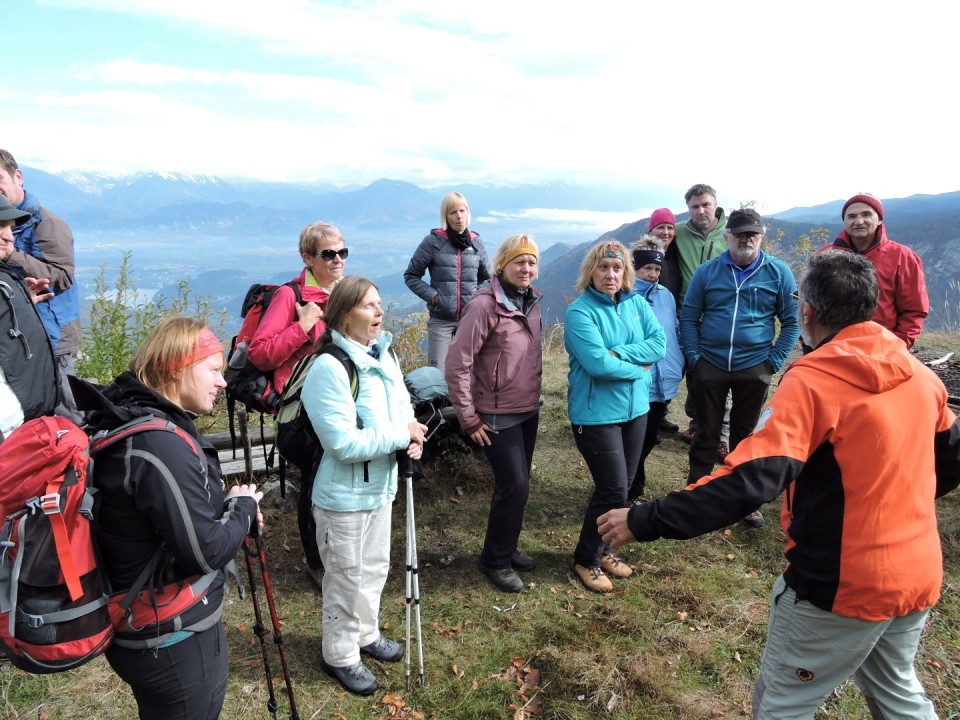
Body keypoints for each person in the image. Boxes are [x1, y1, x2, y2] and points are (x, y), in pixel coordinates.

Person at [599, 250, 960, 720]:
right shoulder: (921, 378)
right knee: (898, 695)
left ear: (806, 311)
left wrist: (645, 519)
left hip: (840, 583)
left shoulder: (815, 382)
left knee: (781, 705)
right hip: (918, 572)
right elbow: (949, 461)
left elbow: (751, 478)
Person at [79, 316, 263, 720]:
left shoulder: (130, 418)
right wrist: (244, 509)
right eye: (213, 370)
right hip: (170, 637)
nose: (223, 382)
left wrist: (228, 505)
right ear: (178, 367)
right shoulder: (159, 444)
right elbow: (205, 551)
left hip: (140, 621)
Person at [302, 276, 428, 696]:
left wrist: (412, 437)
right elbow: (341, 443)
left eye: (379, 305)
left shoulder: (384, 355)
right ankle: (340, 654)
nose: (379, 313)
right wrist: (399, 435)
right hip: (342, 498)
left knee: (374, 569)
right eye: (369, 306)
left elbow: (402, 407)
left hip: (380, 487)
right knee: (345, 577)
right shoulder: (328, 368)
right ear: (343, 314)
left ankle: (366, 634)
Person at [679, 208, 799, 527]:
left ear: (762, 236)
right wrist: (695, 357)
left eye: (753, 233)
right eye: (740, 233)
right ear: (727, 236)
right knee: (706, 431)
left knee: (747, 436)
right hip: (710, 365)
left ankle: (745, 500)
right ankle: (696, 492)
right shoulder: (708, 272)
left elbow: (791, 322)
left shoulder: (778, 272)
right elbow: (689, 316)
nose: (747, 239)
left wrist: (772, 362)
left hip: (754, 367)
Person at [248, 220, 347, 591]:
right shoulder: (291, 297)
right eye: (328, 254)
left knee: (332, 479)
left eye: (342, 252)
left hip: (336, 404)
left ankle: (336, 553)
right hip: (299, 414)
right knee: (316, 483)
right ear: (307, 257)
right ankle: (316, 563)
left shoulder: (341, 294)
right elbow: (259, 354)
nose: (338, 260)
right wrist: (301, 327)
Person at [564, 240, 666, 593]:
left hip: (635, 411)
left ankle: (605, 550)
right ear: (591, 271)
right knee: (611, 488)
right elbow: (597, 364)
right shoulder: (580, 312)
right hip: (595, 415)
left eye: (617, 268)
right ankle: (586, 559)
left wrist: (620, 352)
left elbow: (660, 345)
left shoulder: (638, 303)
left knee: (623, 488)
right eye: (603, 267)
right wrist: (640, 370)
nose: (610, 274)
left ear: (626, 273)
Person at [445, 234, 543, 594]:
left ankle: (506, 547)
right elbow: (457, 364)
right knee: (513, 484)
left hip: (527, 407)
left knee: (519, 486)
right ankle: (495, 561)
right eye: (520, 262)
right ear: (503, 264)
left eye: (532, 262)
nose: (527, 269)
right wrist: (468, 417)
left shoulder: (529, 300)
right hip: (496, 413)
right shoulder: (485, 305)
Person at [0, 149, 81, 421]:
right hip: (18, 333)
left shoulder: (47, 224)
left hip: (52, 335)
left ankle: (76, 460)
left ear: (17, 177)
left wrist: (12, 256)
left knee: (62, 409)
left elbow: (62, 276)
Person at [819, 193, 929, 350]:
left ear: (879, 219)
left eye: (866, 214)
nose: (859, 221)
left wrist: (898, 347)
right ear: (845, 221)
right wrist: (811, 345)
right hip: (832, 347)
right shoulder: (826, 255)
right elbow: (808, 301)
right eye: (851, 216)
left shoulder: (902, 257)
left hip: (882, 348)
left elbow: (914, 310)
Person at [404, 191, 491, 370]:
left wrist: (477, 298)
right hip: (441, 321)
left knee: (470, 375)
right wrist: (433, 296)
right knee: (438, 376)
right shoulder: (433, 242)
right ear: (446, 216)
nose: (459, 216)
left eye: (462, 210)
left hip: (470, 321)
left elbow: (487, 279)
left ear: (468, 213)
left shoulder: (476, 243)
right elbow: (411, 275)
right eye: (453, 212)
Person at [672, 184, 728, 446]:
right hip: (684, 315)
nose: (701, 210)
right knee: (684, 370)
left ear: (715, 204)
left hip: (719, 319)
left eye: (706, 204)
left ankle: (710, 430)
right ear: (688, 209)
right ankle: (689, 422)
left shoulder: (730, 234)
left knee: (711, 375)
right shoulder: (679, 232)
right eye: (695, 206)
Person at [628, 237, 683, 501]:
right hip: (638, 380)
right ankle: (629, 488)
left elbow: (675, 332)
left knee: (648, 438)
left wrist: (682, 360)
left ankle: (629, 486)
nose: (653, 274)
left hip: (666, 380)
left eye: (657, 269)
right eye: (647, 268)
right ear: (634, 268)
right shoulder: (625, 297)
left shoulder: (666, 296)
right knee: (637, 439)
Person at [1, 196, 57, 440]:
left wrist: (20, 303)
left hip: (21, 427)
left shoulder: (6, 279)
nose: (9, 237)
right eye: (0, 227)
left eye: (10, 228)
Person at [646, 208, 682, 307]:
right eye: (661, 227)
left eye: (670, 228)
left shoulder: (676, 254)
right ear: (650, 231)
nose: (666, 232)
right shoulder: (643, 257)